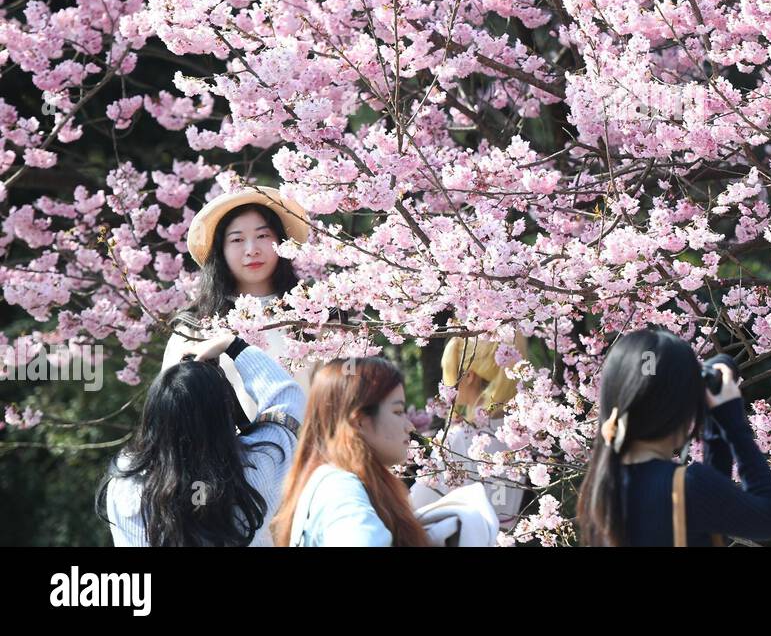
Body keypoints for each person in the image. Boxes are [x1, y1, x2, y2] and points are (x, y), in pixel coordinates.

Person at [576, 328, 771, 547]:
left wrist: (714, 428)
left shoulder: (601, 491)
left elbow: (712, 517)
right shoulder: (690, 486)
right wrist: (732, 423)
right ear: (681, 406)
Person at [97, 331, 304, 546]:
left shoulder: (127, 484)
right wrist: (233, 345)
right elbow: (288, 401)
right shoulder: (257, 467)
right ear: (222, 413)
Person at [271, 356, 498, 547]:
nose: (409, 427)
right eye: (398, 412)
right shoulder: (340, 488)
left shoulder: (333, 482)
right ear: (360, 421)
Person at [161, 185, 312, 421]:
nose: (251, 250)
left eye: (263, 236)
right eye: (237, 239)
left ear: (281, 242)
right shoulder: (194, 328)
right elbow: (174, 412)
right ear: (220, 251)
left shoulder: (316, 318)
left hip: (306, 454)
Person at [409, 335, 528, 531]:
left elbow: (417, 506)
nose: (445, 382)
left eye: (448, 371)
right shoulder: (519, 435)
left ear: (469, 375)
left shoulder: (461, 437)